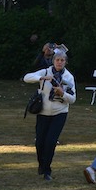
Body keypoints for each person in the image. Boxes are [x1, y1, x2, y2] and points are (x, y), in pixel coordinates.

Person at [23, 45, 76, 180]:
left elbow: (73, 99)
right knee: (40, 142)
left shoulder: (68, 77)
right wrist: (40, 78)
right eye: (57, 60)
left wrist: (62, 93)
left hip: (60, 112)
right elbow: (27, 77)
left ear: (65, 62)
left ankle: (47, 171)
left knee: (51, 141)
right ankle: (42, 165)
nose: (59, 62)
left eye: (62, 60)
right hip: (43, 112)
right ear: (53, 61)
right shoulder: (46, 72)